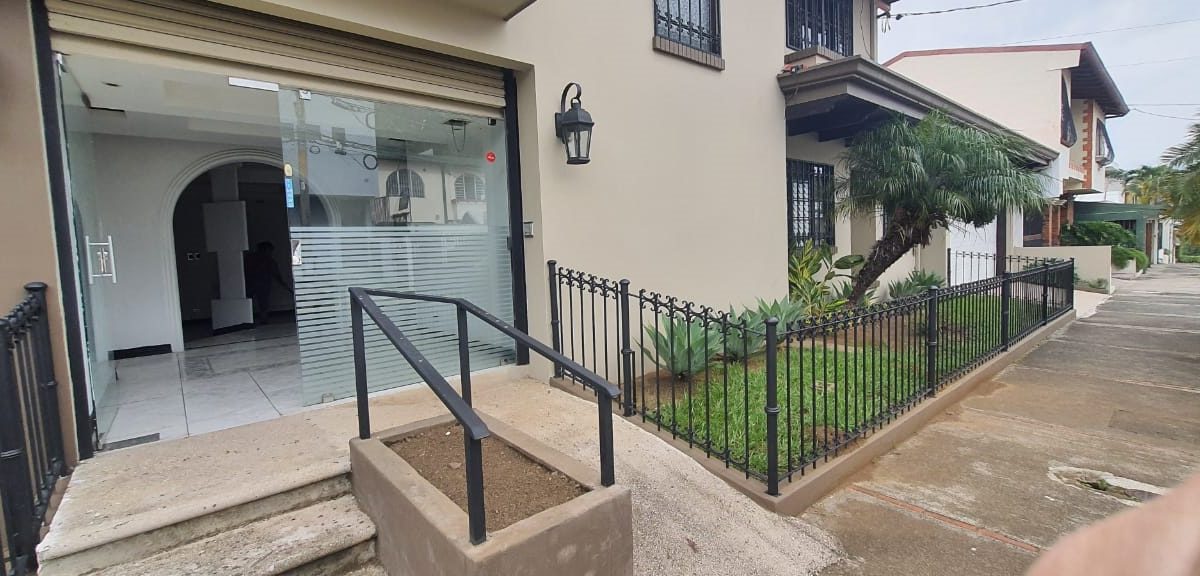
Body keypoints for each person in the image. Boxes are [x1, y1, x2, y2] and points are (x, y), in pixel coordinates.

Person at [244, 241, 292, 324]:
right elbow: (276, 274)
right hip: (259, 283)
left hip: (255, 283)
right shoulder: (268, 260)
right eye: (270, 250)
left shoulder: (250, 258)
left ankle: (252, 318)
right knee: (261, 302)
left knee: (256, 301)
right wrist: (283, 284)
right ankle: (261, 319)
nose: (271, 253)